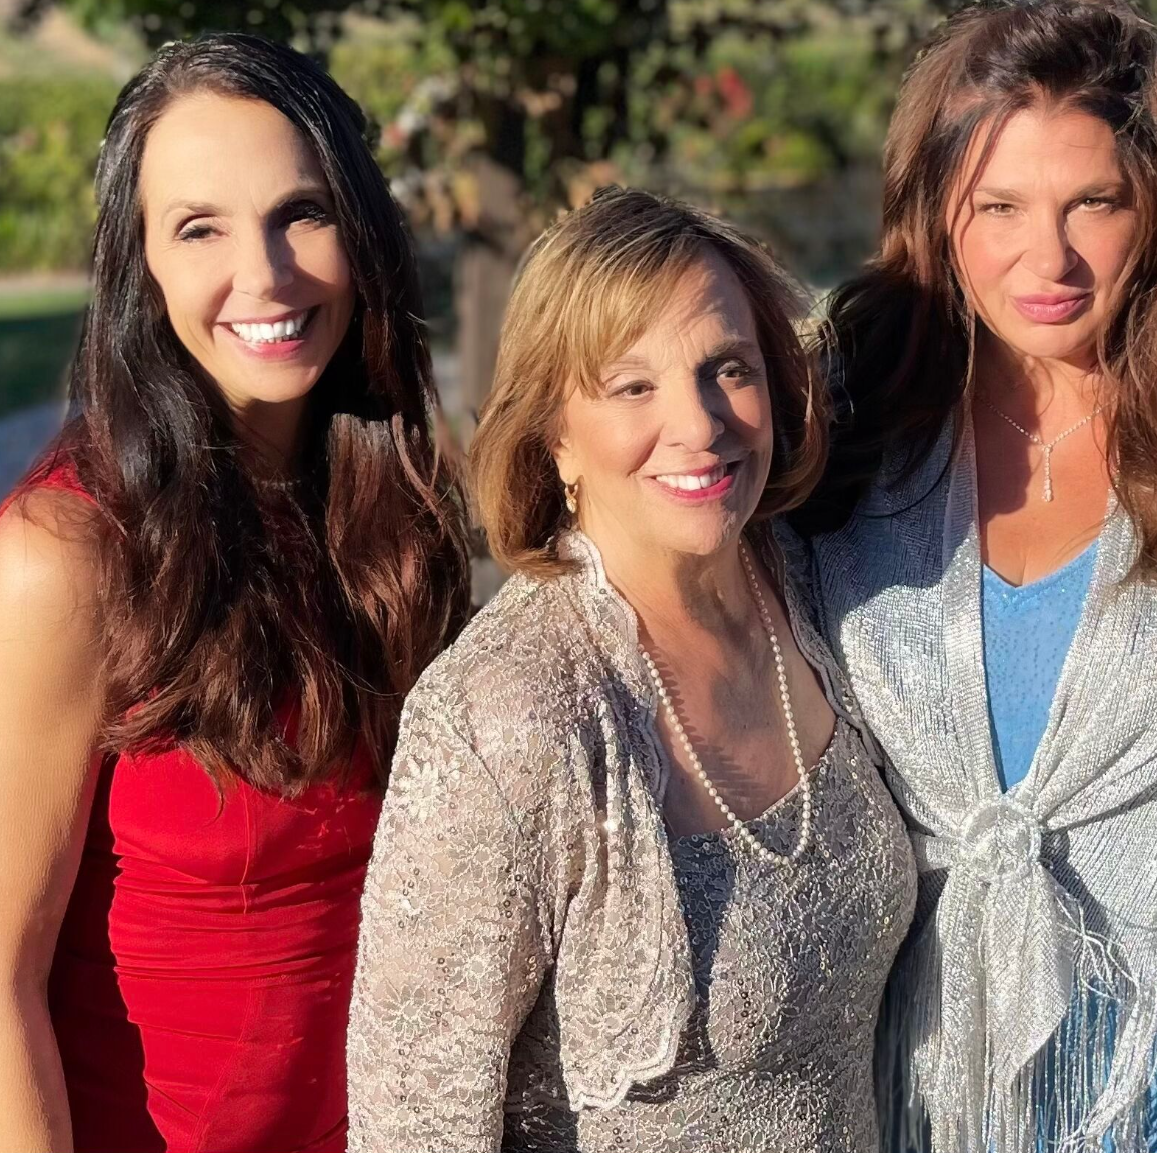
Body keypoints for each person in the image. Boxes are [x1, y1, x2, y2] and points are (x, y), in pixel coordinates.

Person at [0, 33, 470, 1153]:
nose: (267, 274)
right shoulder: (64, 556)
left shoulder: (399, 511)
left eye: (302, 213)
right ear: (139, 264)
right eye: (200, 229)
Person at [345, 187, 917, 1152]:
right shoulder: (507, 714)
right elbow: (412, 1123)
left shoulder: (810, 588)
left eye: (727, 368)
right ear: (555, 435)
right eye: (632, 386)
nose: (699, 424)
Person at [803, 0, 1157, 1151]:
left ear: (1156, 209)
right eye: (998, 206)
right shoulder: (839, 449)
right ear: (936, 212)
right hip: (912, 1072)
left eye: (1092, 202)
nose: (1047, 256)